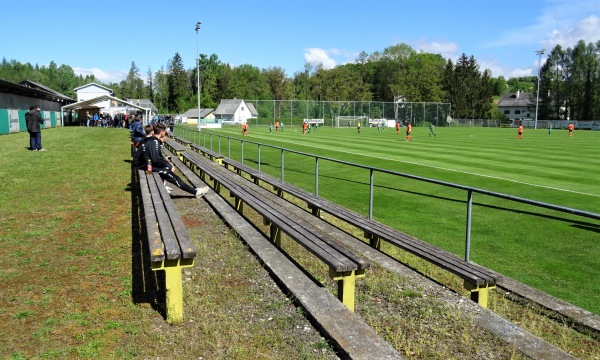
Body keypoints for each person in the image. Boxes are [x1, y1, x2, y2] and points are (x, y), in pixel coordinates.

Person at [145, 123, 209, 197]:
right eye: (165, 131)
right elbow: (155, 159)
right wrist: (166, 164)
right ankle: (196, 192)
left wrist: (164, 160)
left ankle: (163, 188)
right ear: (162, 131)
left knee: (171, 172)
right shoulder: (154, 142)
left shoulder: (153, 140)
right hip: (150, 167)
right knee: (175, 178)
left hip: (149, 166)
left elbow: (154, 156)